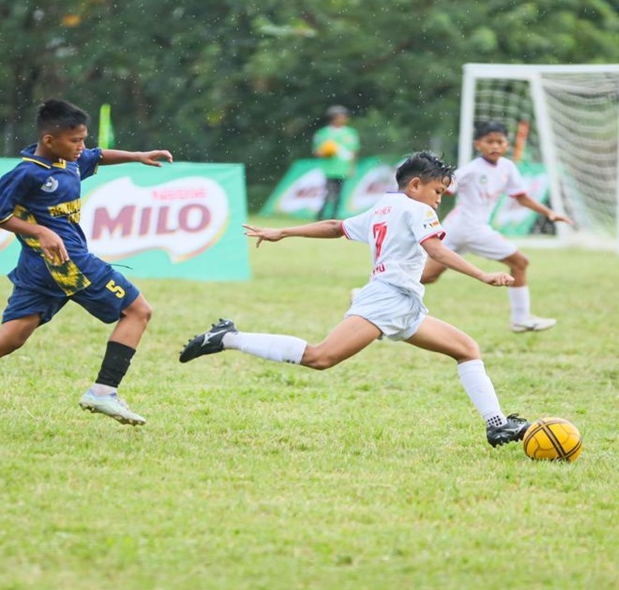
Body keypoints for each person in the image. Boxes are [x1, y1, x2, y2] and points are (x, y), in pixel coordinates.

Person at [178, 151, 533, 448]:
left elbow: (336, 226)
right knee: (321, 357)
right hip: (387, 300)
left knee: (467, 349)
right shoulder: (417, 209)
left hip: (404, 303)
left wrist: (284, 231)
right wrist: (483, 274)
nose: (440, 200)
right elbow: (435, 249)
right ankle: (228, 337)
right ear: (415, 185)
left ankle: (496, 424)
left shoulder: (384, 207)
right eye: (438, 191)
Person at [0, 99, 172, 435]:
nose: (82, 147)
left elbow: (98, 155)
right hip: (67, 263)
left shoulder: (70, 160)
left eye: (83, 139)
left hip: (37, 268)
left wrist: (136, 157)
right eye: (76, 140)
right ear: (49, 140)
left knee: (12, 336)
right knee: (138, 312)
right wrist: (41, 231)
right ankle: (103, 391)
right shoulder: (27, 173)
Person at [421, 120, 573, 333]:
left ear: (507, 144)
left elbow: (521, 197)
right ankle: (521, 319)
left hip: (457, 228)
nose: (494, 146)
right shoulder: (471, 170)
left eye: (499, 141)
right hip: (468, 227)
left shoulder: (507, 167)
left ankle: (367, 294)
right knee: (520, 262)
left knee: (429, 277)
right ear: (478, 145)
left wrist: (548, 213)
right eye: (489, 141)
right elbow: (443, 188)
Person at [312, 105, 360, 220]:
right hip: (329, 169)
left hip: (343, 168)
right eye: (341, 116)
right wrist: (325, 152)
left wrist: (352, 168)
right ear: (333, 117)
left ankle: (334, 217)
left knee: (339, 195)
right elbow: (316, 151)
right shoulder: (322, 133)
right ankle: (321, 216)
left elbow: (354, 151)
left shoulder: (350, 133)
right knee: (329, 193)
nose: (344, 118)